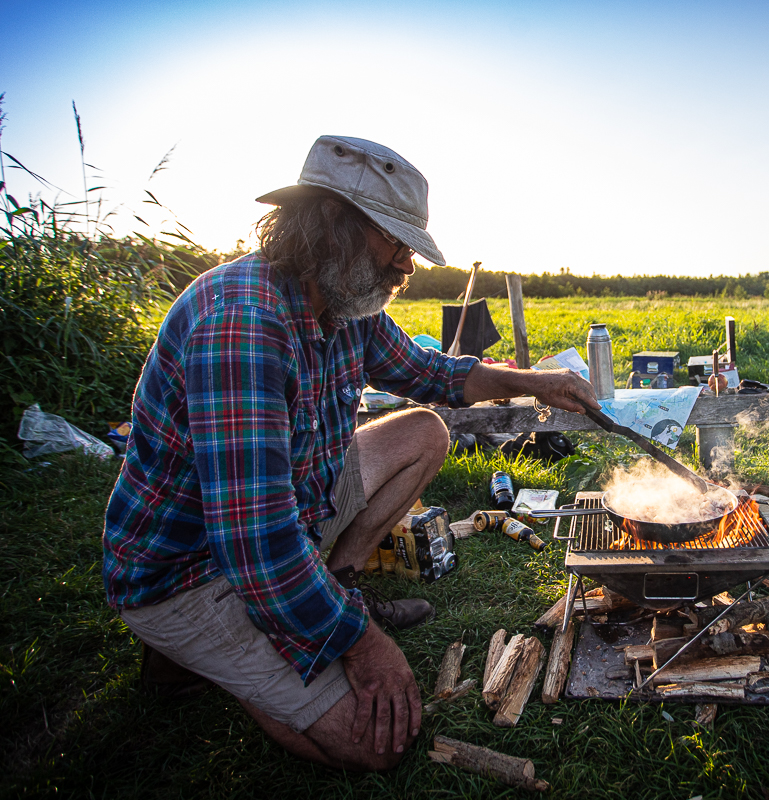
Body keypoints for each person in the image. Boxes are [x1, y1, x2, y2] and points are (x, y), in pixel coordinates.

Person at [102, 135, 599, 771]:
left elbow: (432, 375)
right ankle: (226, 649)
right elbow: (255, 544)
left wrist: (532, 382)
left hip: (284, 520)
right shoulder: (242, 327)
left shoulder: (342, 305)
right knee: (376, 746)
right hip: (195, 566)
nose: (406, 268)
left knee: (424, 431)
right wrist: (361, 644)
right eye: (396, 244)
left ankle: (334, 587)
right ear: (337, 227)